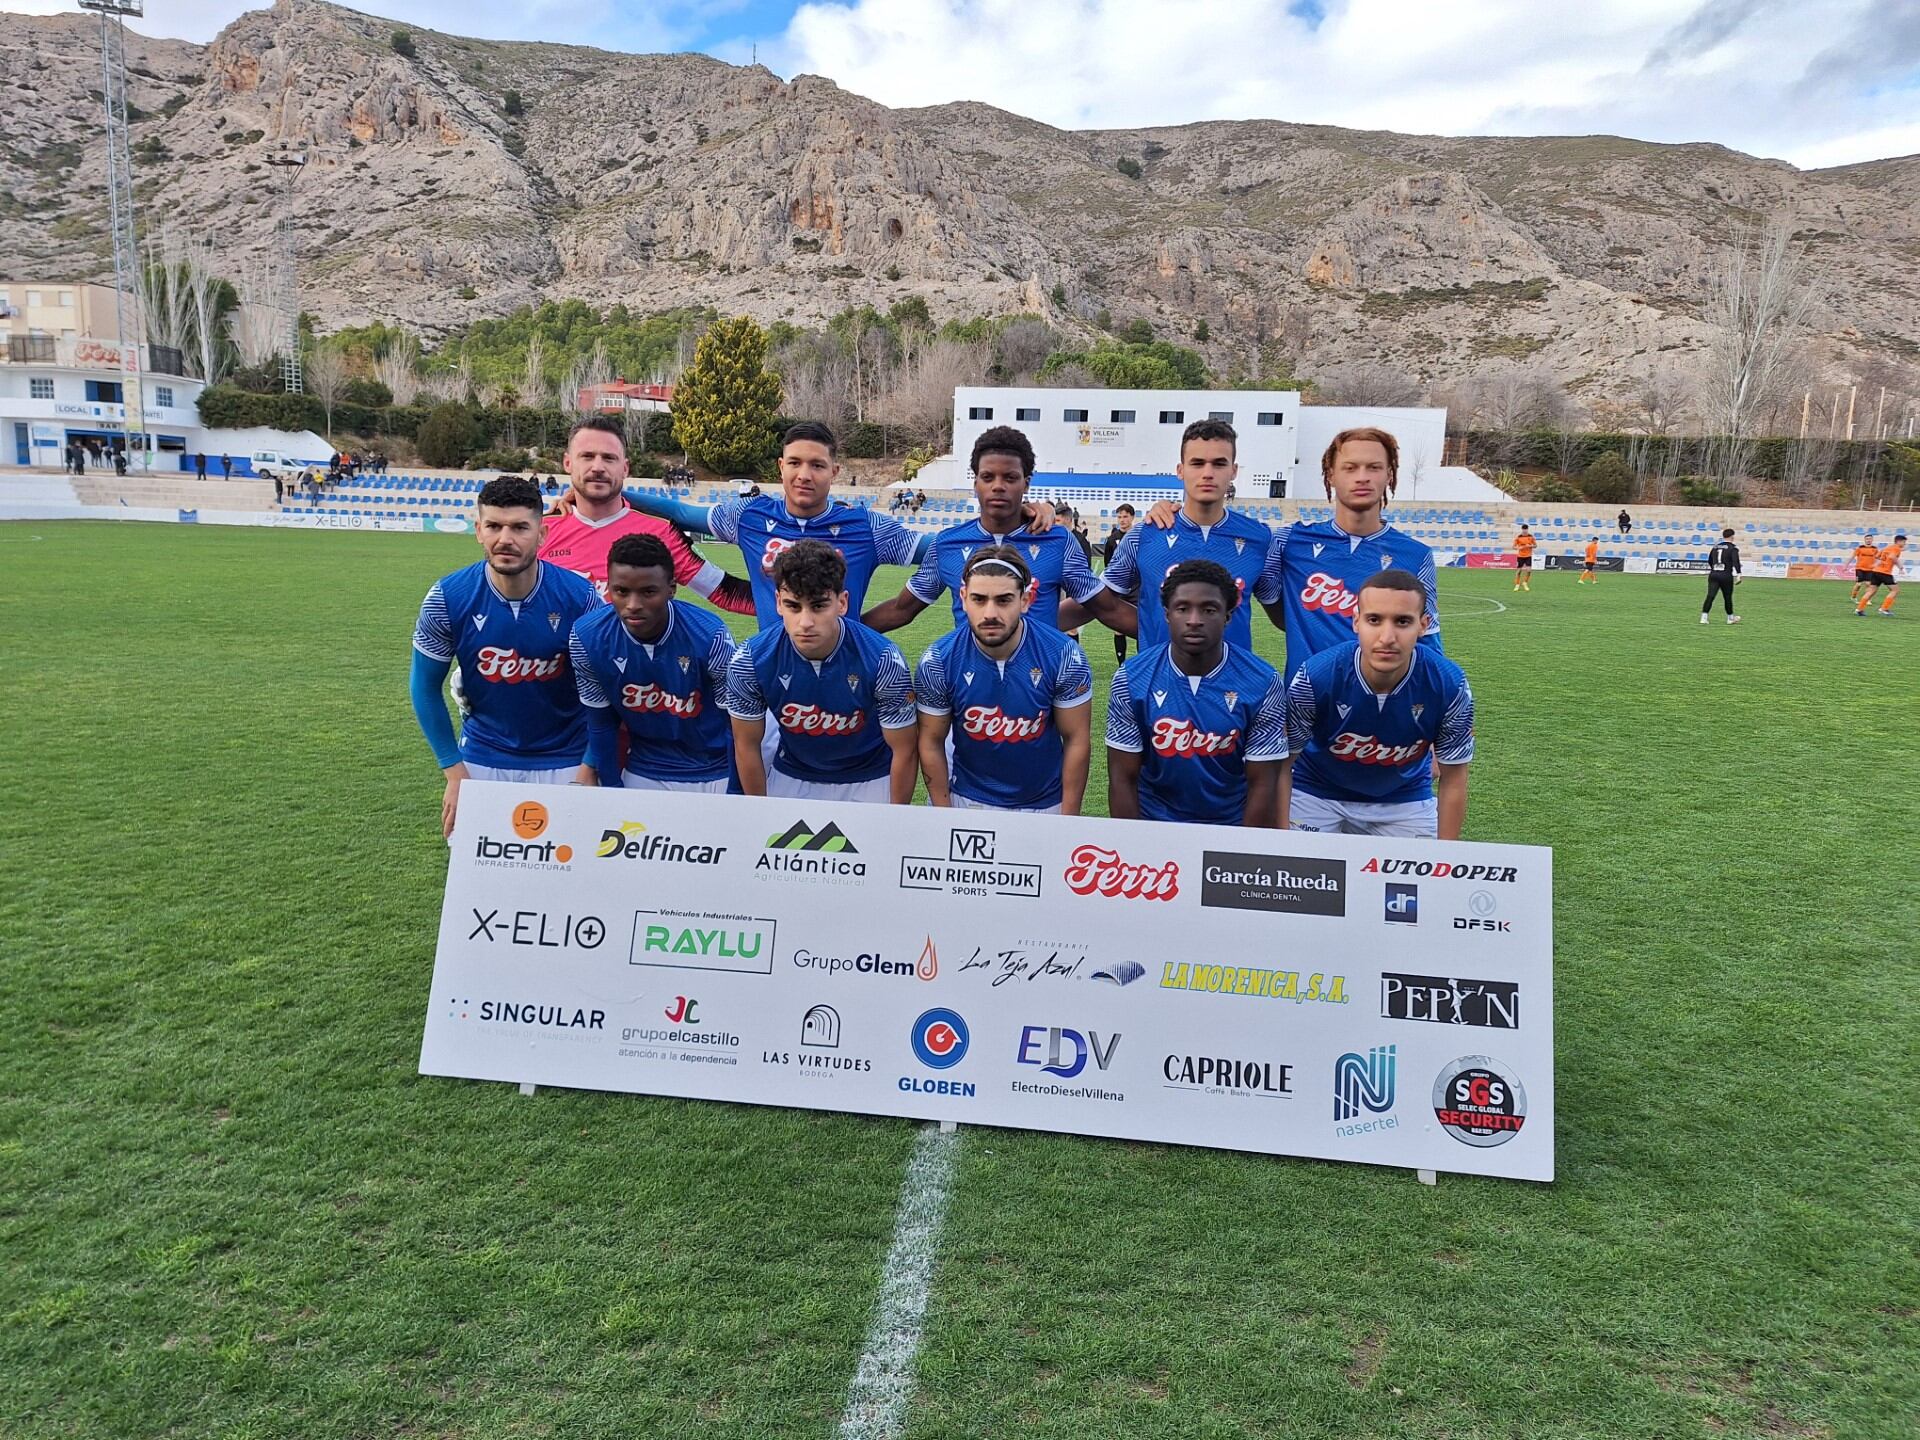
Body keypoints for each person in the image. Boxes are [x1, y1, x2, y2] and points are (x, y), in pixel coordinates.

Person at [409, 475, 601, 838]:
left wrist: (590, 765)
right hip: (482, 759)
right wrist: (453, 770)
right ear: (478, 530)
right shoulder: (447, 598)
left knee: (569, 885)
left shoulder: (581, 597)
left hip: (567, 762)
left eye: (519, 527)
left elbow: (604, 691)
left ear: (542, 534)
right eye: (494, 526)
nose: (505, 539)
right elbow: (423, 686)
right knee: (482, 886)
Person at [612, 422, 924, 627]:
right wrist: (609, 492)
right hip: (770, 668)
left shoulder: (867, 526)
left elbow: (939, 550)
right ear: (781, 467)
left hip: (843, 669)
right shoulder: (748, 517)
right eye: (795, 463)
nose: (804, 474)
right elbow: (680, 511)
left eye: (817, 465)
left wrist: (868, 622)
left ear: (835, 471)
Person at [1282, 569, 1473, 839]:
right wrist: (1280, 842)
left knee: (1421, 876)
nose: (1387, 637)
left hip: (1404, 798)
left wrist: (1446, 857)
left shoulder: (1450, 683)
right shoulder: (1316, 675)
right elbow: (1279, 766)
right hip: (1316, 792)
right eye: (1374, 620)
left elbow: (1454, 778)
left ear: (1424, 625)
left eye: (1403, 622)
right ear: (1356, 621)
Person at [862, 426, 1108, 635]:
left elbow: (1102, 607)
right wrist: (841, 633)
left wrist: (1042, 626)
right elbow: (901, 609)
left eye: (1010, 478)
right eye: (988, 477)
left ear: (1026, 483)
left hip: (1039, 684)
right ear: (975, 483)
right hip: (968, 682)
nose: (998, 486)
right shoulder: (946, 544)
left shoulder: (1058, 540)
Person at [725, 539, 918, 803]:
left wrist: (894, 817)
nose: (805, 622)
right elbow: (746, 745)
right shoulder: (749, 660)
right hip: (792, 775)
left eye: (818, 606)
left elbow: (905, 750)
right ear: (778, 603)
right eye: (793, 605)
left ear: (842, 603)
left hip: (870, 777)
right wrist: (760, 814)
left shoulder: (884, 659)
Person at [1106, 559, 1287, 826]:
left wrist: (1245, 853)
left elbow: (1262, 784)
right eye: (1182, 608)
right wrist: (1135, 846)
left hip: (1230, 826)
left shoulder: (1263, 682)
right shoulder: (1131, 679)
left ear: (1228, 615)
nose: (1194, 620)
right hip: (1155, 824)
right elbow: (1122, 777)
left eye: (1209, 610)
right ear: (1167, 613)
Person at [914, 546, 1094, 814]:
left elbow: (1076, 739)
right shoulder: (938, 661)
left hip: (1045, 804)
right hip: (967, 800)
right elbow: (930, 741)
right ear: (963, 598)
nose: (989, 614)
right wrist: (943, 813)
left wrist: (1067, 821)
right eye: (978, 599)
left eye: (1003, 600)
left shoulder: (1065, 656)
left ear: (1026, 600)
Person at [1260, 427, 1442, 682]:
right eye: (1350, 468)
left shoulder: (1416, 555)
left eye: (1374, 467)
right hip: (1308, 706)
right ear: (1331, 475)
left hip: (1381, 708)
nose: (1362, 477)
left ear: (1389, 475)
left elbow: (1428, 641)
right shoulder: (1288, 542)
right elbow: (1279, 615)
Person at [1080, 418, 1277, 654]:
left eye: (1219, 464)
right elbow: (1100, 601)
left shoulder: (1261, 538)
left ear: (1233, 471)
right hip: (1159, 683)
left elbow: (1287, 617)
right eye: (1197, 463)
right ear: (1180, 470)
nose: (1207, 473)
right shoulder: (1144, 535)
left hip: (1233, 685)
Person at [538, 416, 754, 615]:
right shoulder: (540, 531)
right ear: (567, 463)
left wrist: (785, 597)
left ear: (625, 468)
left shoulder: (661, 530)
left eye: (609, 458)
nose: (597, 467)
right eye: (587, 456)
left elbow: (724, 592)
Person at [569, 533, 735, 791]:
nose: (633, 605)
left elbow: (735, 726)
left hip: (715, 769)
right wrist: (612, 788)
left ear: (672, 588)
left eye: (648, 592)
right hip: (646, 769)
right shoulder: (586, 637)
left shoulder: (710, 635)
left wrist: (736, 792)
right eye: (621, 591)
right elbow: (601, 723)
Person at [1855, 533, 1906, 617]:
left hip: (1876, 571)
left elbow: (1878, 556)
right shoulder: (1896, 548)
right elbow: (1892, 557)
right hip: (1885, 572)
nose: (1904, 544)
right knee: (1895, 590)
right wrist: (1900, 567)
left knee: (1871, 591)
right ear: (1899, 541)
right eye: (1904, 542)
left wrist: (1878, 564)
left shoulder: (1887, 548)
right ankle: (1884, 609)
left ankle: (1859, 609)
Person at [1702, 527, 1742, 624]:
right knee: (1727, 597)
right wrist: (1739, 574)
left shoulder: (1715, 547)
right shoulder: (1733, 548)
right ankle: (1730, 618)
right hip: (1726, 575)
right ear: (1732, 537)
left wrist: (1714, 568)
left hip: (1714, 574)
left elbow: (1709, 560)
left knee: (1710, 596)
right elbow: (1735, 561)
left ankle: (1704, 618)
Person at [1851, 535, 1882, 605]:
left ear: (1872, 540)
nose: (1868, 540)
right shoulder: (1859, 548)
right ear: (1865, 540)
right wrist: (1846, 565)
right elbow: (1852, 556)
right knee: (1858, 584)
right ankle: (1853, 596)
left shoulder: (1875, 549)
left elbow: (1879, 558)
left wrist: (1878, 564)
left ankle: (1867, 599)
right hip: (1860, 568)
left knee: (1868, 584)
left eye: (1870, 539)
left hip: (1870, 569)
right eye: (1867, 539)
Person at [1512, 523, 1536, 591]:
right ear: (1522, 529)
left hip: (1528, 556)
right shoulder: (1518, 537)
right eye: (1523, 529)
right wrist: (1519, 548)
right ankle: (1517, 585)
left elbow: (1535, 545)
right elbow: (1513, 547)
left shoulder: (1531, 537)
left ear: (1527, 529)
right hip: (1520, 556)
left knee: (1529, 570)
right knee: (1519, 571)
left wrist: (1530, 546)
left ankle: (1525, 583)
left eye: (1526, 529)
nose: (1525, 531)